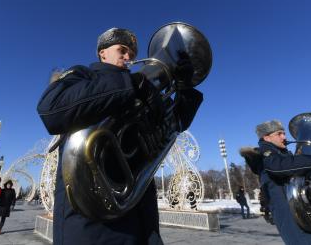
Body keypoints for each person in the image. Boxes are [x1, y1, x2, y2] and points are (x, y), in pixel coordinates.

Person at [37, 27, 203, 244]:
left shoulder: (142, 90)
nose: (128, 57)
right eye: (122, 50)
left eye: (132, 54)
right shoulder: (82, 75)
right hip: (91, 225)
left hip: (141, 218)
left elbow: (174, 125)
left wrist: (186, 89)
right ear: (102, 52)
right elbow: (51, 109)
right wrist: (129, 84)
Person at [242, 119, 311, 245]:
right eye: (279, 134)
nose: (284, 137)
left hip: (306, 209)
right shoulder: (265, 155)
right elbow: (278, 166)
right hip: (292, 215)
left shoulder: (283, 154)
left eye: (284, 133)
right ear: (267, 138)